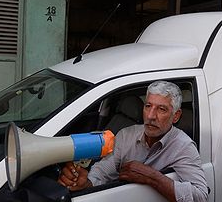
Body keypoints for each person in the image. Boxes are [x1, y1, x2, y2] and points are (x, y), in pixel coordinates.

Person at [58, 81, 208, 202]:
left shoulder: (183, 146)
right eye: (148, 106)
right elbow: (103, 171)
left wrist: (151, 177)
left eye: (161, 109)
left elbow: (201, 196)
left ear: (176, 116)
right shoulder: (126, 135)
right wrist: (86, 183)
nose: (150, 116)